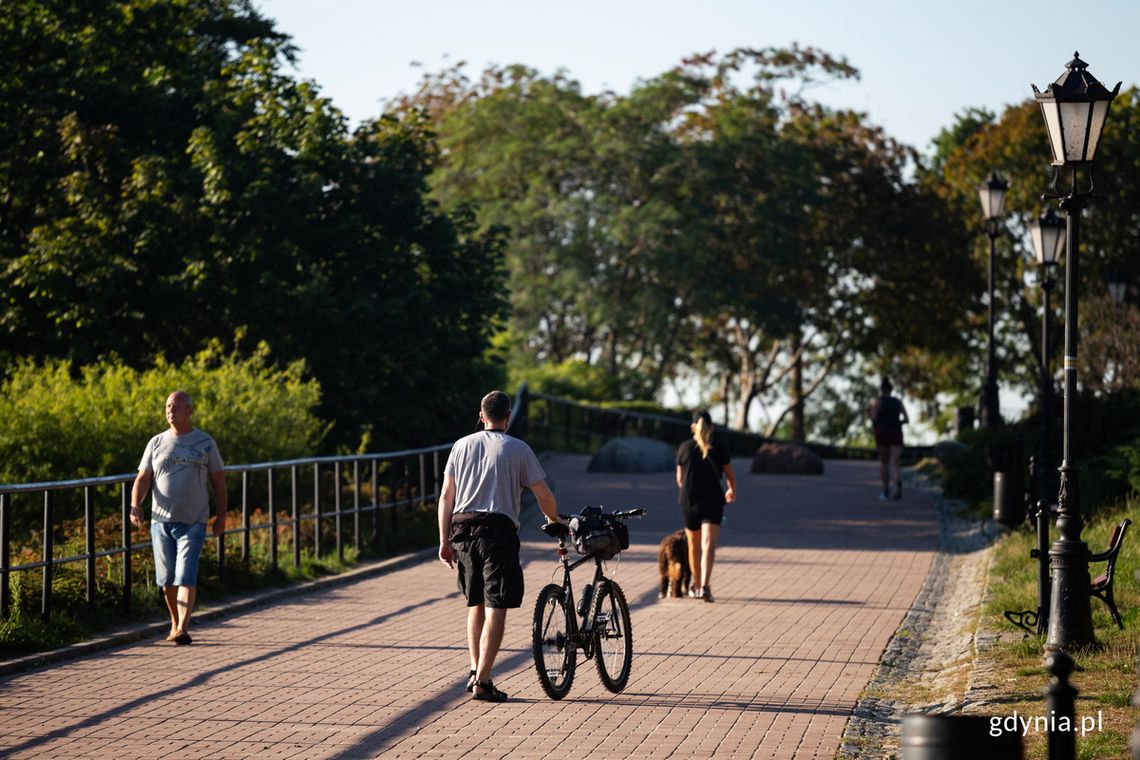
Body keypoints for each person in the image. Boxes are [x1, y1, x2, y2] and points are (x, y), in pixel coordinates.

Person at [438, 390, 560, 703]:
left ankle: (474, 670)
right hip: (498, 533)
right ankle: (483, 680)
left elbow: (446, 497)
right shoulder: (518, 448)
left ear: (482, 416)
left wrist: (443, 540)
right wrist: (555, 519)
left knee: (474, 602)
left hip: (462, 530)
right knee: (497, 607)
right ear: (508, 417)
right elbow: (542, 494)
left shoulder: (461, 445)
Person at [129, 391, 227, 645]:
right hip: (160, 521)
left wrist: (221, 516)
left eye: (176, 406)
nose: (170, 410)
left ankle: (183, 627)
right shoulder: (156, 442)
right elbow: (143, 478)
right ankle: (174, 621)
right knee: (166, 579)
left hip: (194, 520)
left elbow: (218, 483)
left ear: (190, 411)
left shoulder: (205, 443)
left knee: (185, 574)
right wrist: (135, 505)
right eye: (167, 406)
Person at [675, 410, 737, 603]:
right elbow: (730, 476)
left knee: (693, 546)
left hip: (690, 501)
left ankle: (696, 584)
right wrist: (731, 490)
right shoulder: (718, 448)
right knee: (708, 545)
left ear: (693, 427)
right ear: (711, 428)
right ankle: (705, 587)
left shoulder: (684, 448)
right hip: (712, 501)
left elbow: (679, 479)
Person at [871, 378, 909, 501]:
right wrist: (898, 422)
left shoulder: (878, 402)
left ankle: (886, 491)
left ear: (881, 390)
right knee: (895, 462)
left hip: (882, 432)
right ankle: (897, 484)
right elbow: (906, 419)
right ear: (891, 390)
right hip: (896, 432)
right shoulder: (898, 402)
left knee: (884, 463)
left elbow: (873, 418)